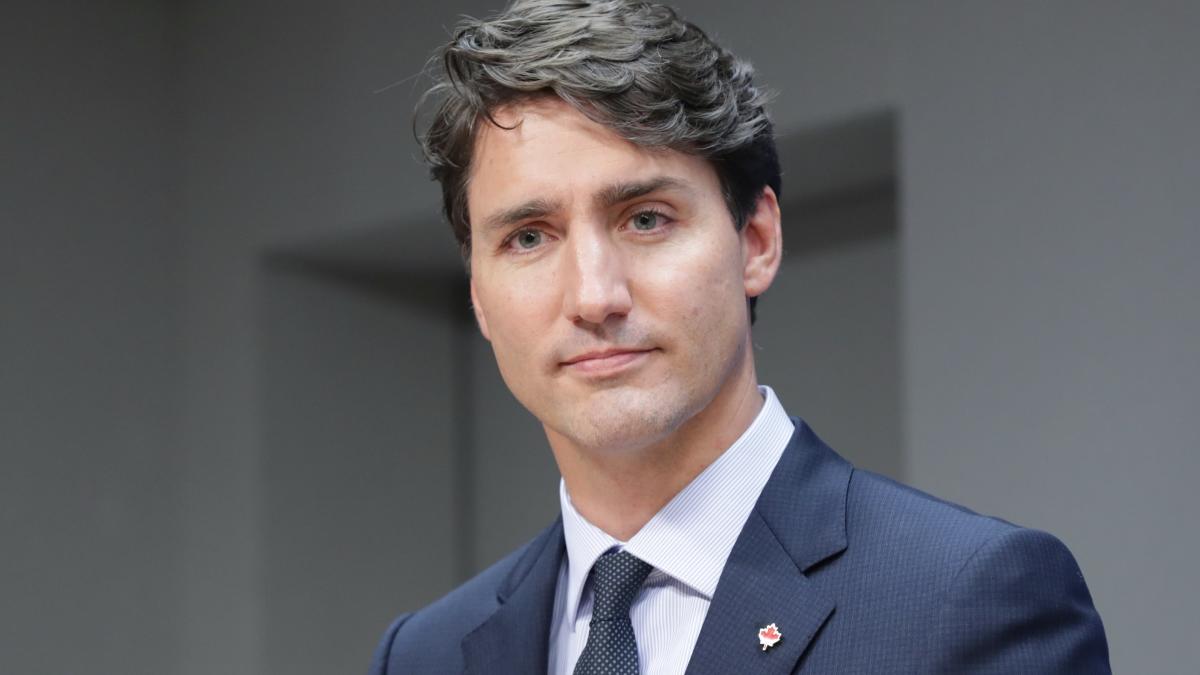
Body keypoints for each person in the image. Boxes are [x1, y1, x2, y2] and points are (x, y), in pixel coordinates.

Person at [370, 0, 1110, 672]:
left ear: (756, 241)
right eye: (529, 237)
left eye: (646, 219)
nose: (594, 297)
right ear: (480, 294)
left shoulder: (967, 601)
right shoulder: (424, 655)